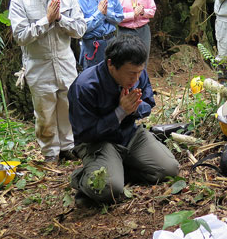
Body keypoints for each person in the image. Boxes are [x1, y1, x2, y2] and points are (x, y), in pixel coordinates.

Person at [68, 35, 179, 206]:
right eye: (131, 73)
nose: (135, 78)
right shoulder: (85, 86)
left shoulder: (138, 73)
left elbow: (148, 103)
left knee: (169, 170)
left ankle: (118, 170)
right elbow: (85, 134)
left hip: (129, 135)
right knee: (107, 189)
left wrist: (133, 110)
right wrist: (120, 112)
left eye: (139, 72)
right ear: (111, 64)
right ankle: (81, 177)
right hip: (98, 143)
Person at [9, 0, 86, 162]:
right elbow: (21, 37)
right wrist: (46, 20)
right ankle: (50, 153)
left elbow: (80, 29)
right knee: (45, 113)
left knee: (68, 106)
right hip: (38, 65)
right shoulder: (20, 0)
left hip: (65, 61)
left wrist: (60, 18)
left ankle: (69, 147)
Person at [75, 0, 124, 69]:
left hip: (112, 42)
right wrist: (99, 14)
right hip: (92, 46)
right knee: (92, 80)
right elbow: (80, 28)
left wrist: (107, 13)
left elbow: (120, 17)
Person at [113, 0, 156, 65]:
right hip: (125, 31)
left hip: (143, 30)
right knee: (127, 61)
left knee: (143, 60)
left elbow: (153, 10)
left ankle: (142, 81)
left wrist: (143, 12)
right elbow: (114, 16)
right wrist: (132, 15)